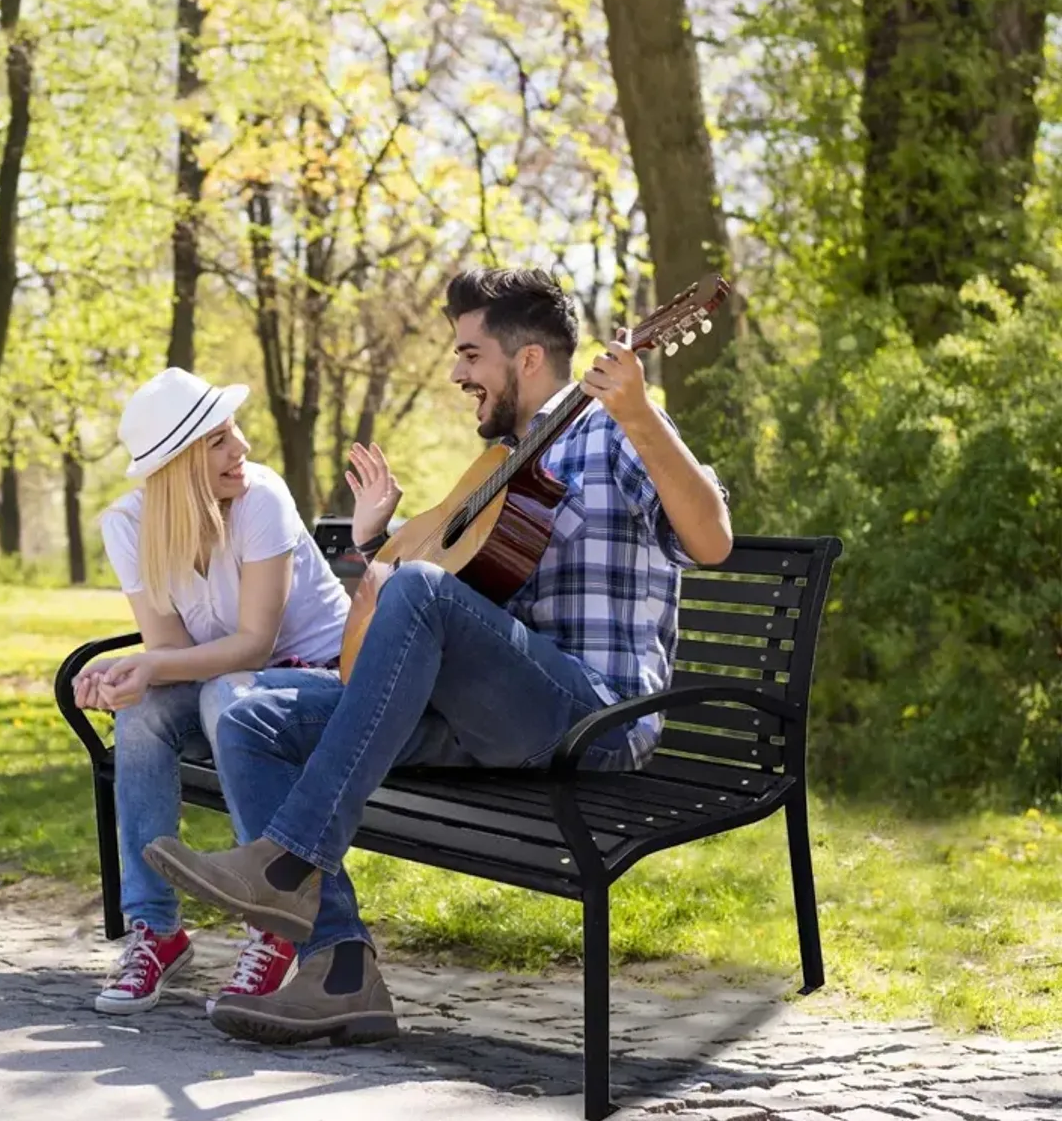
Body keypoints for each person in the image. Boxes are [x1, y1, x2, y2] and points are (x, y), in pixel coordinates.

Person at [141, 268, 733, 1045]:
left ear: (526, 360)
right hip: (491, 717)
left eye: (469, 355)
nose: (456, 374)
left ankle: (285, 866)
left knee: (418, 591)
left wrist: (642, 412)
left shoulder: (612, 428)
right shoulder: (502, 463)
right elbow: (449, 589)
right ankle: (340, 968)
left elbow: (713, 539)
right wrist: (375, 550)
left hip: (595, 715)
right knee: (253, 716)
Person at [72, 366, 391, 1016]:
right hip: (233, 684)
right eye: (218, 440)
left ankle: (272, 920)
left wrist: (152, 664)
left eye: (234, 431)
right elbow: (168, 649)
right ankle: (156, 930)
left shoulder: (261, 498)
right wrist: (123, 675)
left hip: (315, 681)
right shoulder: (129, 524)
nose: (241, 447)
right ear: (178, 464)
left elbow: (252, 643)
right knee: (142, 716)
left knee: (226, 698)